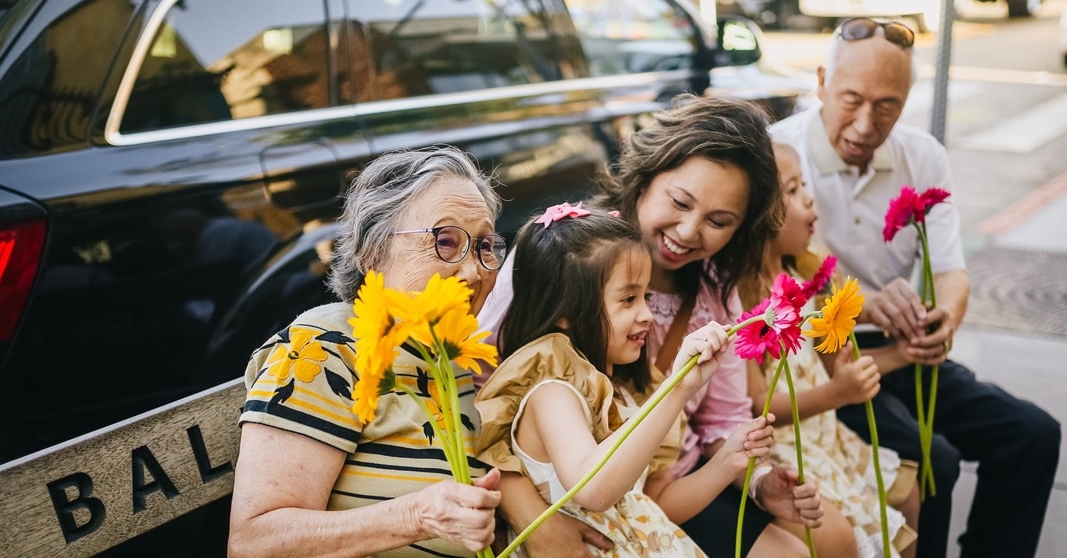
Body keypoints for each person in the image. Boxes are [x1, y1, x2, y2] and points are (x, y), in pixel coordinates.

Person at [479, 94, 827, 557]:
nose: (687, 231)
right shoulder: (564, 259)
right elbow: (481, 397)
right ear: (645, 178)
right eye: (679, 202)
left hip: (658, 493)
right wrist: (527, 516)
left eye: (718, 221)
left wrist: (758, 480)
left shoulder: (713, 291)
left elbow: (720, 420)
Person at [769, 18, 1062, 558]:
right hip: (829, 361)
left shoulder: (922, 155)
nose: (864, 123)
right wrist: (864, 304)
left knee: (1032, 436)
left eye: (887, 106)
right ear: (820, 83)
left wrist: (943, 322)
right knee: (934, 462)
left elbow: (950, 269)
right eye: (851, 99)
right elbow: (774, 290)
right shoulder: (778, 156)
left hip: (905, 351)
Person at [228, 147, 507, 557]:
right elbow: (255, 544)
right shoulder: (325, 348)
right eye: (445, 241)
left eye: (485, 246)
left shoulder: (451, 359)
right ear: (373, 252)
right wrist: (415, 517)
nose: (473, 270)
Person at [478, 205, 776, 556]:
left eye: (646, 296)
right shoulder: (552, 393)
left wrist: (727, 461)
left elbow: (648, 506)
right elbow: (594, 490)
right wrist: (678, 390)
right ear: (566, 312)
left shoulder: (624, 393)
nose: (647, 314)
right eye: (628, 299)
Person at [740, 142, 920, 558]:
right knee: (860, 537)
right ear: (760, 215)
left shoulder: (801, 277)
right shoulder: (746, 301)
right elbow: (755, 404)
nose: (809, 197)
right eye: (791, 189)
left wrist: (900, 354)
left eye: (804, 184)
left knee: (908, 497)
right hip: (792, 448)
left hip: (826, 434)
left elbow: (827, 362)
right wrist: (838, 394)